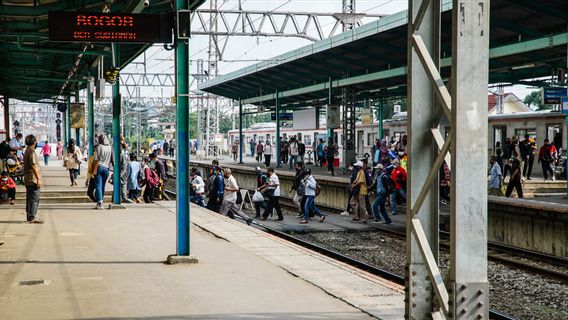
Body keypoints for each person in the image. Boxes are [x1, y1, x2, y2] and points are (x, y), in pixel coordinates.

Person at [23, 135, 42, 223]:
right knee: (34, 198)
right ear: (34, 142)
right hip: (32, 179)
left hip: (28, 178)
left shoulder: (27, 150)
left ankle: (29, 215)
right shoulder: (31, 152)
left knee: (30, 198)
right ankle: (32, 216)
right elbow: (33, 165)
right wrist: (38, 179)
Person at [94, 134, 112, 210]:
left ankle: (99, 203)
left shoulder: (99, 147)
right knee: (103, 186)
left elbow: (96, 159)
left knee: (98, 185)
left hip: (99, 167)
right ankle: (101, 200)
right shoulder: (110, 147)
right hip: (107, 168)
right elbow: (112, 159)